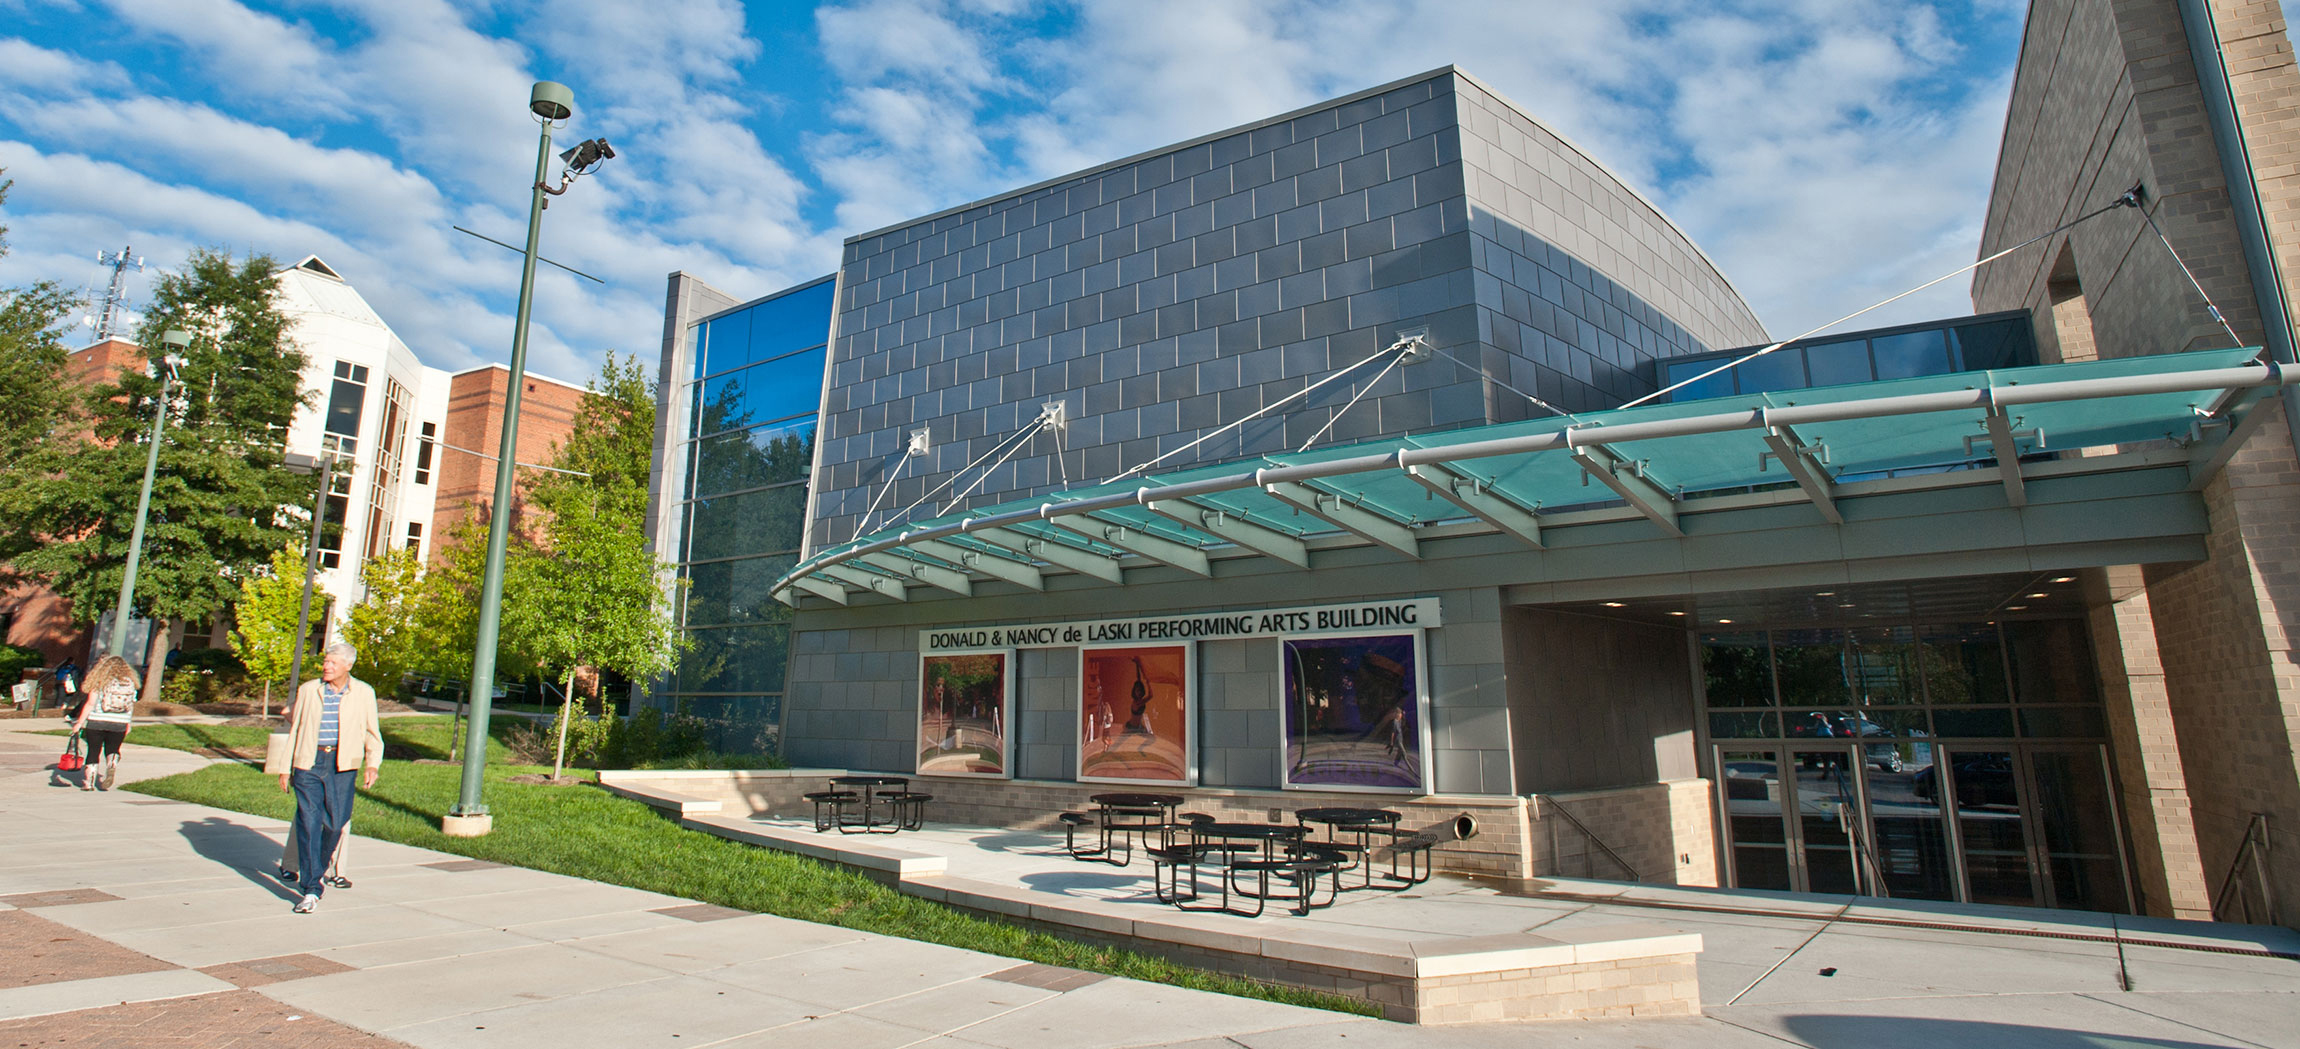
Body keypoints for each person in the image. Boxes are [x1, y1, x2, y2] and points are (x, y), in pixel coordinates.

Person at [279, 642, 383, 914]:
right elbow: (297, 729)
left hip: (342, 765)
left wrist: (372, 765)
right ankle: (312, 888)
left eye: (333, 663)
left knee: (336, 823)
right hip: (308, 763)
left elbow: (373, 733)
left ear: (348, 665)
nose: (326, 666)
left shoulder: (363, 693)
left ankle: (317, 868)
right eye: (325, 662)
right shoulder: (308, 690)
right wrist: (285, 766)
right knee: (309, 822)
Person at [70, 655, 137, 791]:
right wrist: (128, 723)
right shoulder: (129, 683)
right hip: (120, 722)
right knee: (113, 749)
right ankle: (112, 762)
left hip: (97, 721)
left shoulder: (100, 682)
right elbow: (130, 706)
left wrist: (79, 722)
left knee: (93, 751)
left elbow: (90, 704)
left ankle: (89, 783)